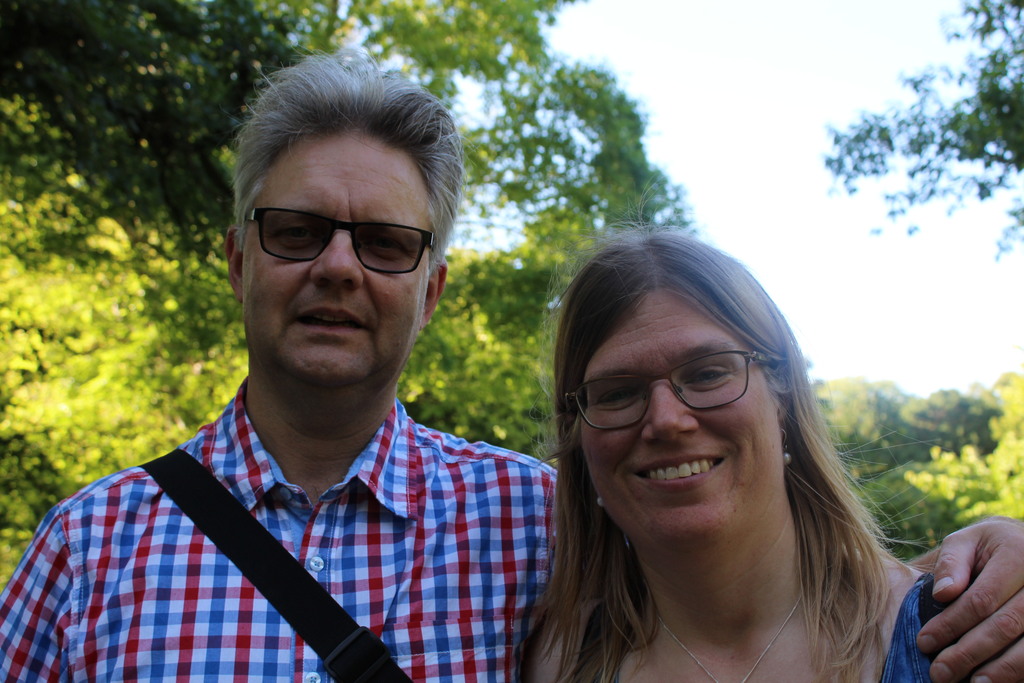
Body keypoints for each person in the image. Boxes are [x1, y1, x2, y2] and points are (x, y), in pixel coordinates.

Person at [0, 50, 1021, 682]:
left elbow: (764, 559)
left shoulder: (550, 518)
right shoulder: (87, 549)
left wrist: (993, 552)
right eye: (298, 229)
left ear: (431, 287)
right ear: (236, 258)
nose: (340, 267)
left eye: (386, 243)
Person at [526, 227, 1024, 683]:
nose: (666, 420)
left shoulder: (974, 637)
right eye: (616, 393)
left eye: (707, 373)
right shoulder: (554, 661)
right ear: (577, 433)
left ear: (783, 396)